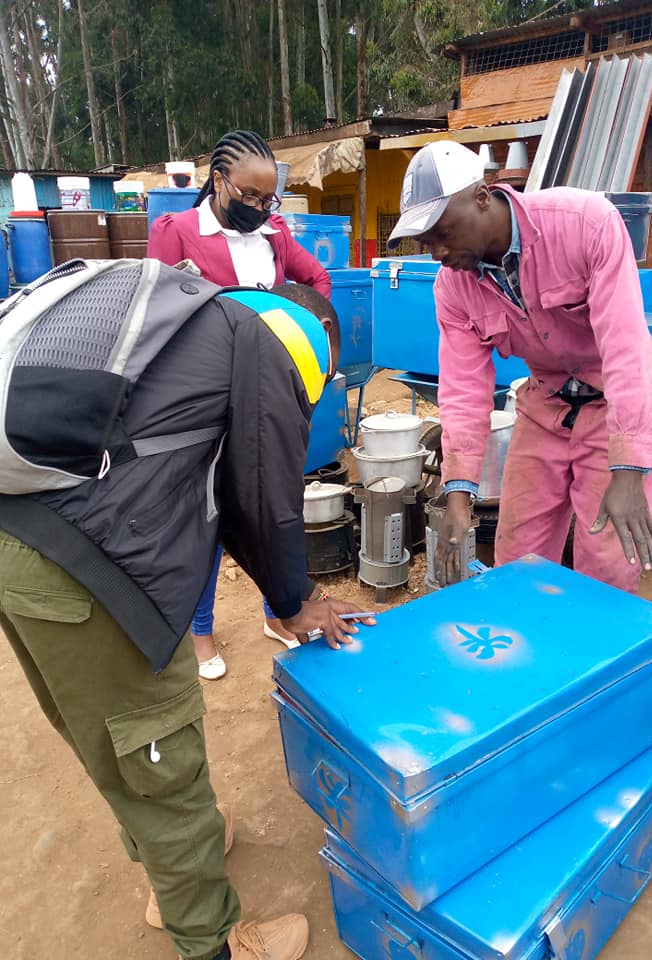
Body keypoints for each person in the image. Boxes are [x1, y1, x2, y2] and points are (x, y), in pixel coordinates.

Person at [0, 270, 374, 960]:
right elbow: (265, 495)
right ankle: (215, 942)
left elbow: (215, 484)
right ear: (319, 335)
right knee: (160, 756)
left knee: (117, 742)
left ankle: (167, 874)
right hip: (89, 571)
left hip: (21, 544)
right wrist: (296, 602)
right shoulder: (275, 340)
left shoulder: (186, 324)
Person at [387, 140, 652, 595]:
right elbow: (462, 388)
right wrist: (458, 493)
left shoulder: (586, 224)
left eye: (441, 232)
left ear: (482, 196)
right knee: (517, 554)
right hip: (546, 403)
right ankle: (528, 659)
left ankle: (606, 658)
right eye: (425, 243)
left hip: (618, 399)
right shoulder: (453, 287)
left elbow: (625, 346)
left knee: (608, 559)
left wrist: (629, 469)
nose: (436, 252)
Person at [148, 129, 332, 676]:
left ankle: (276, 613)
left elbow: (315, 277)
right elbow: (157, 310)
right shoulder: (177, 231)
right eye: (249, 197)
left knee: (270, 503)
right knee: (208, 513)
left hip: (268, 396)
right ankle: (201, 634)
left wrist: (312, 325)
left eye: (268, 198)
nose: (260, 208)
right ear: (219, 180)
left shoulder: (273, 234)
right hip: (205, 400)